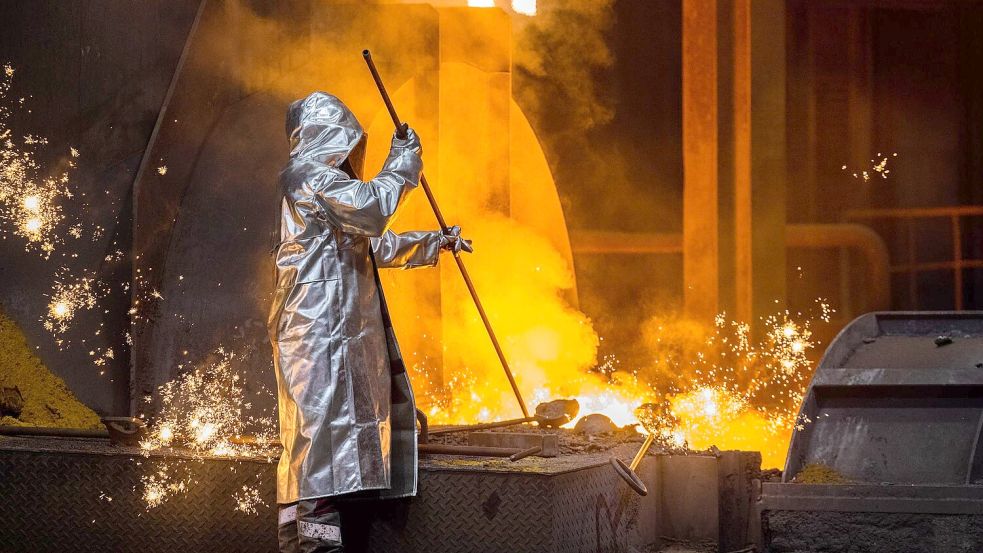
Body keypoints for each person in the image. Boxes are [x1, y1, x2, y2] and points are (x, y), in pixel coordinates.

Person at [268, 91, 471, 553]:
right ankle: (311, 546)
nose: (352, 155)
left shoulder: (326, 192)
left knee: (332, 452)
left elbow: (373, 247)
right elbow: (374, 208)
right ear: (328, 138)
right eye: (348, 143)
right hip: (314, 337)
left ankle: (325, 542)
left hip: (334, 339)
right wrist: (403, 164)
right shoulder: (305, 177)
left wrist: (434, 244)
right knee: (315, 454)